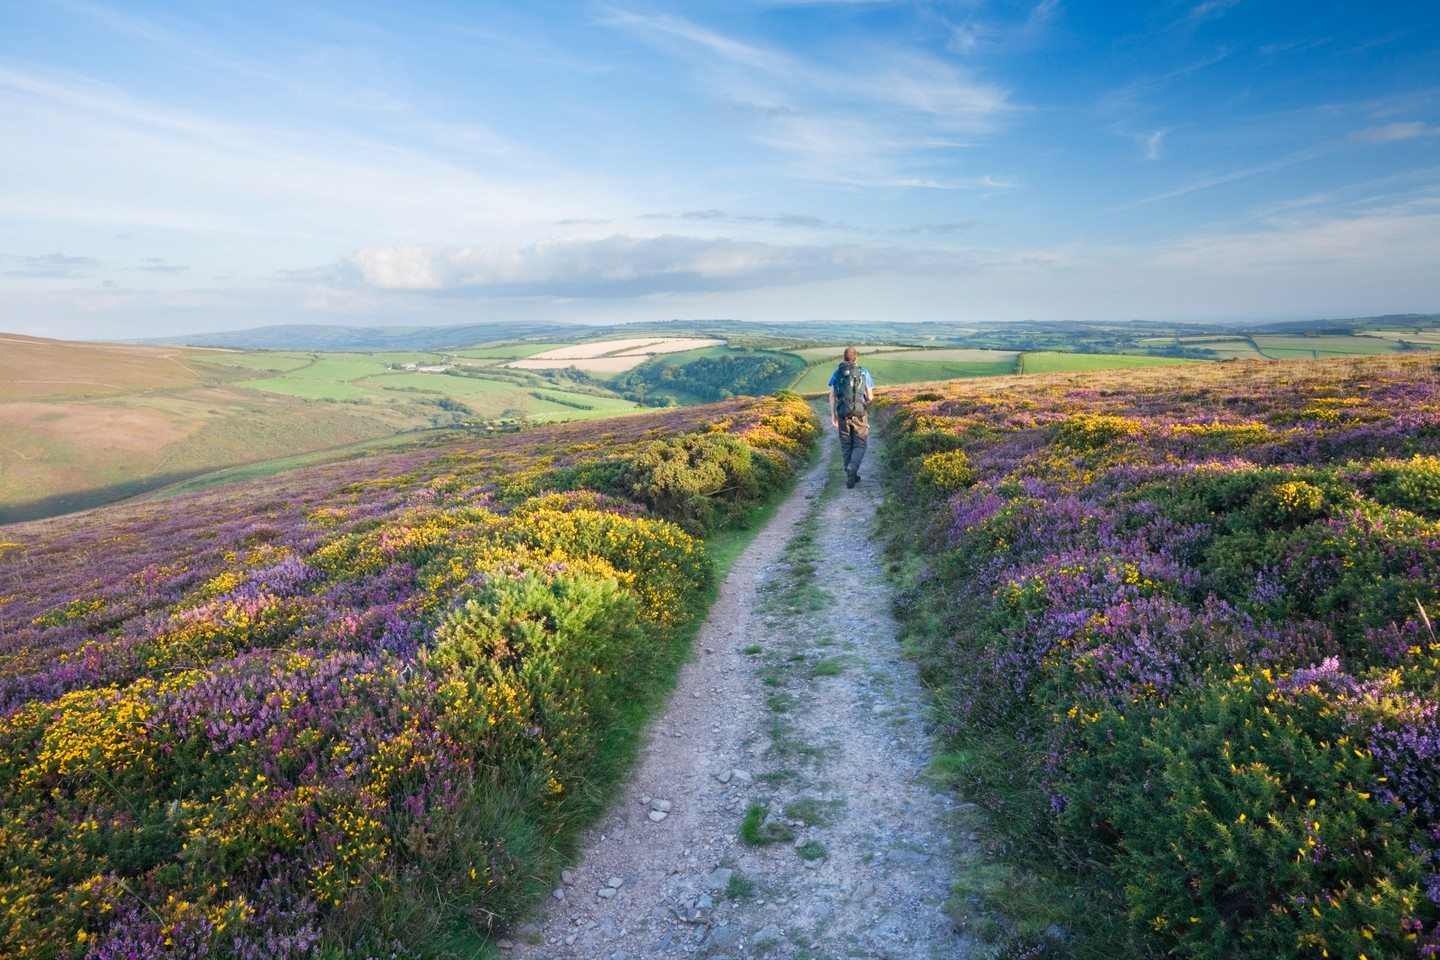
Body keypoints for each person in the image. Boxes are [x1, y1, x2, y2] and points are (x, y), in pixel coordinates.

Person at [828, 346, 874, 489]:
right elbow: (870, 396)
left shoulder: (837, 373)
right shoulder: (863, 372)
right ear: (856, 358)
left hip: (842, 414)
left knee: (846, 445)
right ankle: (852, 468)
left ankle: (851, 473)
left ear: (844, 358)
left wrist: (833, 415)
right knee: (860, 444)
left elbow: (832, 395)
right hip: (860, 415)